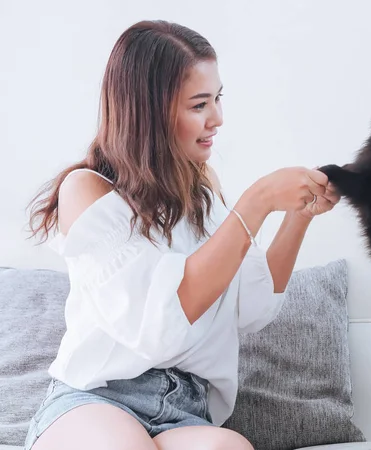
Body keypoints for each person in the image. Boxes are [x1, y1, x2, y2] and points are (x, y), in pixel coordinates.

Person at [25, 20, 339, 450]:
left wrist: (298, 216)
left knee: (231, 447)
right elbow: (159, 326)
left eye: (218, 99)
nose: (218, 119)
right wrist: (258, 200)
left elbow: (255, 306)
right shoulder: (87, 190)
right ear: (150, 112)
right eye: (199, 105)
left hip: (187, 410)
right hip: (98, 398)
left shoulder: (204, 197)